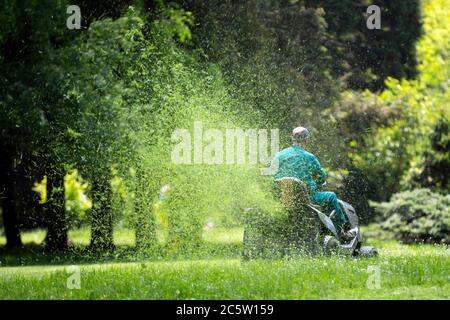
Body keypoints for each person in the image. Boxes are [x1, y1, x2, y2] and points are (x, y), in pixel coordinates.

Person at [273, 127, 348, 236]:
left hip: (282, 198)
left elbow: (271, 176)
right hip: (306, 199)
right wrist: (318, 181)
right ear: (307, 140)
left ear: (292, 139)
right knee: (331, 197)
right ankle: (341, 232)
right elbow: (321, 177)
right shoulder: (309, 157)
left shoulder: (279, 155)